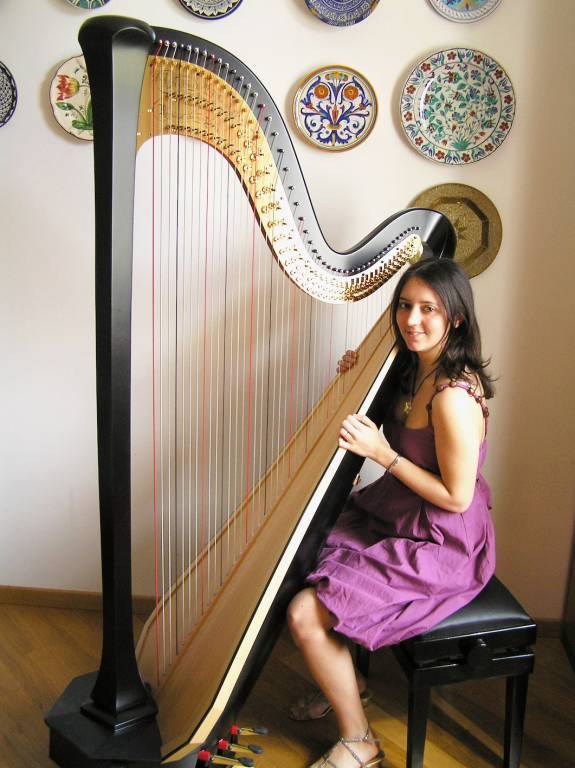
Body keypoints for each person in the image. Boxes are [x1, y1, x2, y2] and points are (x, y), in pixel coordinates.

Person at [286, 257, 495, 768]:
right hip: (398, 513)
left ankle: (360, 741)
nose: (412, 319)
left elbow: (457, 498)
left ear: (456, 318)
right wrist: (351, 379)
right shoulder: (408, 366)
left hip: (441, 542)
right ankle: (349, 682)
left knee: (304, 612)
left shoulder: (453, 397)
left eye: (429, 309)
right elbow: (361, 421)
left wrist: (384, 455)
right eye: (404, 305)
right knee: (295, 551)